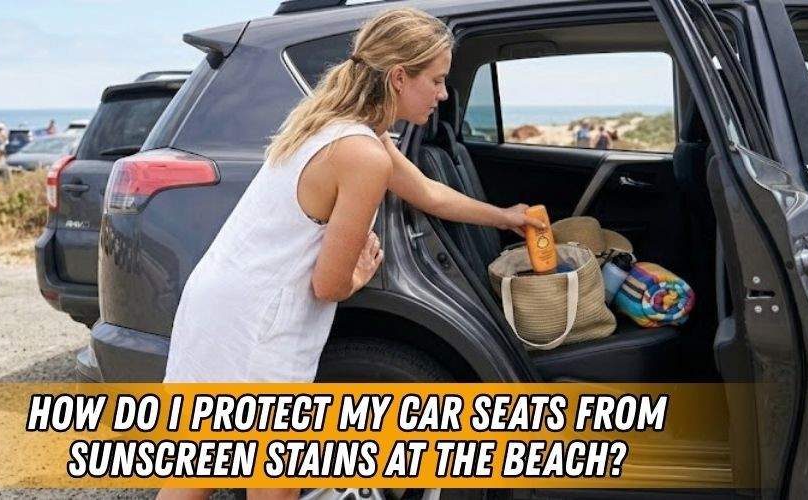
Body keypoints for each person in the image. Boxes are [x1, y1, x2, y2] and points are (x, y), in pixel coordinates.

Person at [157, 8, 545, 500]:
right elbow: (328, 285)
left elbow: (428, 192)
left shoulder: (343, 126)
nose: (443, 95)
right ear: (400, 77)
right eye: (438, 80)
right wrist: (359, 274)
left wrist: (506, 216)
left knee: (194, 475)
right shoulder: (362, 154)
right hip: (259, 325)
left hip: (218, 305)